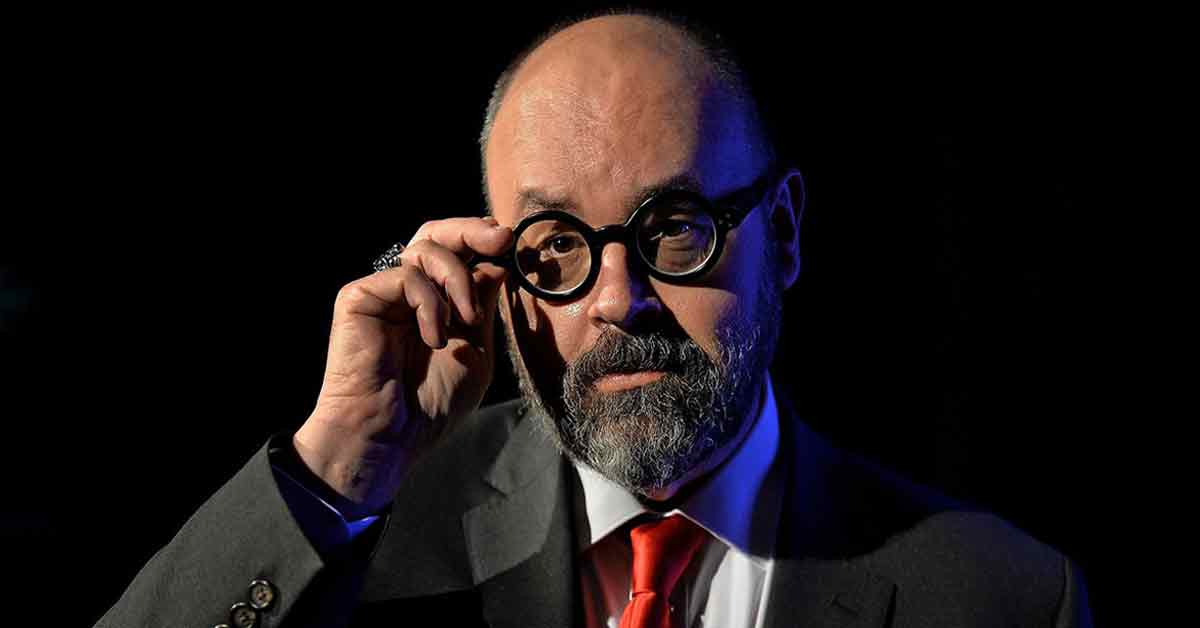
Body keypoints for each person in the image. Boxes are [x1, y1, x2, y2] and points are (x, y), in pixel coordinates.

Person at [97, 11, 1093, 628]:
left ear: (784, 234)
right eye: (557, 245)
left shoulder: (998, 596)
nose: (619, 299)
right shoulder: (362, 542)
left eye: (676, 227)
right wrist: (335, 468)